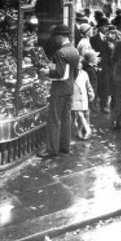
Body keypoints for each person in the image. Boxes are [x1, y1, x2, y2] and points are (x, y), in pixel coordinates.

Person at [37, 24, 80, 159]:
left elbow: (60, 73)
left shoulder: (60, 53)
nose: (55, 40)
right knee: (66, 118)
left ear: (60, 36)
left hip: (59, 90)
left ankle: (52, 150)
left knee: (54, 119)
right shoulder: (74, 50)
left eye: (56, 37)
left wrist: (46, 72)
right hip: (69, 89)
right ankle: (64, 147)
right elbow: (76, 71)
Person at [72, 56, 95, 139]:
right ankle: (87, 130)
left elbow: (88, 85)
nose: (78, 65)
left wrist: (91, 93)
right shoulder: (71, 74)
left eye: (80, 63)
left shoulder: (84, 74)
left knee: (83, 115)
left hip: (83, 97)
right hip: (74, 97)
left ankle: (81, 130)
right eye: (77, 63)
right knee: (78, 114)